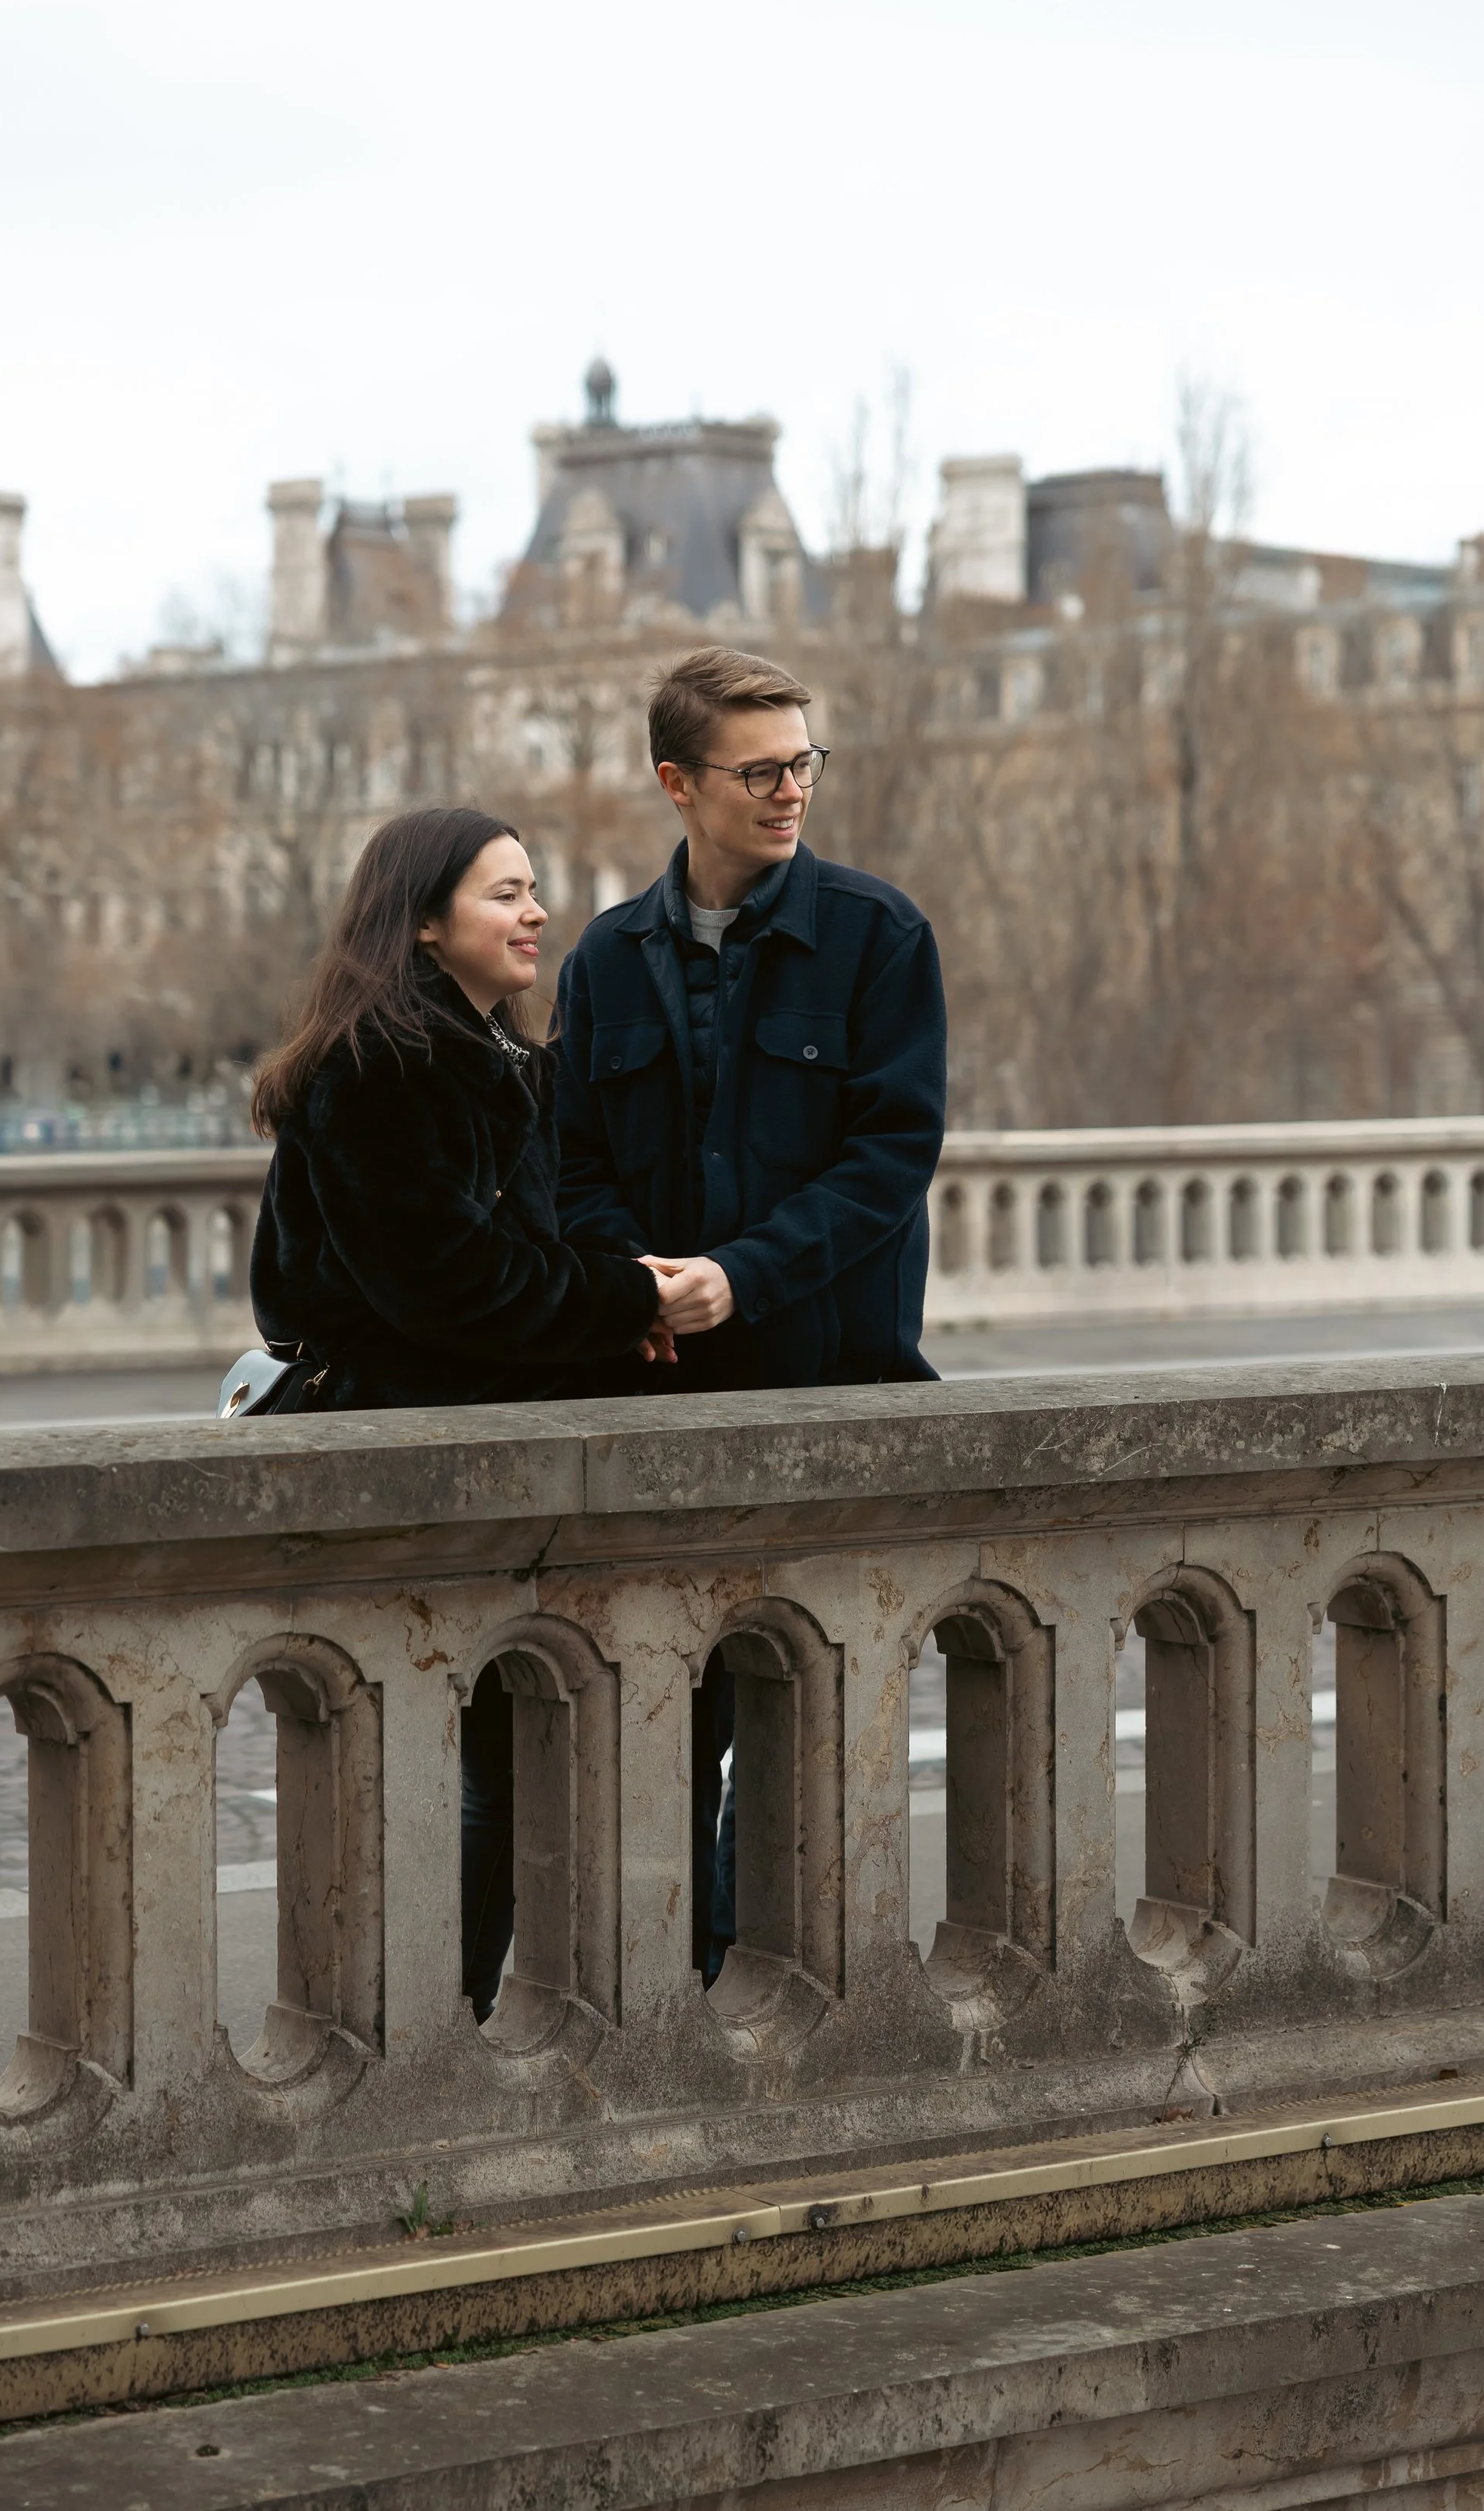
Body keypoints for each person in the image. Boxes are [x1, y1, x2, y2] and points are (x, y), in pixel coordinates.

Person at [552, 644, 949, 1976]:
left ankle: (773, 2001)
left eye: (805, 762)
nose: (792, 790)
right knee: (659, 1730)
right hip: (662, 1401)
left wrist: (744, 1276)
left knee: (809, 1744)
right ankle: (663, 1991)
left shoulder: (877, 936)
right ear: (678, 781)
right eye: (762, 768)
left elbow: (890, 1161)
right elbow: (574, 1167)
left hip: (833, 1393)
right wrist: (638, 1288)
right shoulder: (606, 958)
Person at [247, 805, 680, 2019]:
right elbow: (454, 1288)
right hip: (412, 1470)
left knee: (492, 1765)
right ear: (425, 924)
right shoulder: (381, 1066)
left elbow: (522, 1261)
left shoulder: (492, 1058)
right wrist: (627, 1298)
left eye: (535, 887)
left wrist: (614, 1303)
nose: (536, 910)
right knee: (451, 1775)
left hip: (484, 1465)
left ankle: (447, 2027)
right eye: (504, 892)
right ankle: (420, 2033)